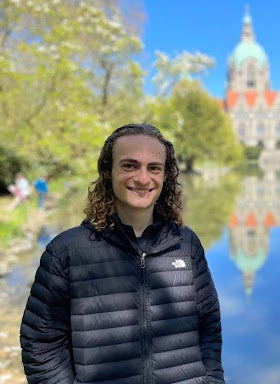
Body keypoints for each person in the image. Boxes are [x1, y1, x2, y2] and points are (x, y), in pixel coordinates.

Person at [20, 123, 224, 384]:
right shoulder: (66, 251)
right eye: (129, 165)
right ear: (108, 171)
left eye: (154, 168)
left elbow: (209, 328)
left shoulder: (187, 243)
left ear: (165, 176)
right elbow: (41, 342)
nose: (142, 178)